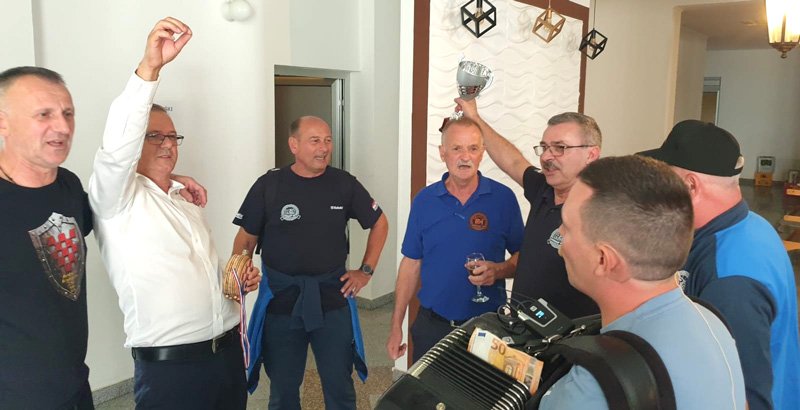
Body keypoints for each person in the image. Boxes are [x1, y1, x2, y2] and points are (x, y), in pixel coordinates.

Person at [88, 18, 260, 409]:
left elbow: (198, 270)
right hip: (171, 369)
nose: (168, 144)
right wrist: (150, 68)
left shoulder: (186, 201)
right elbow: (116, 152)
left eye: (172, 136)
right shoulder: (116, 200)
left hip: (227, 353)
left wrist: (234, 278)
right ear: (136, 142)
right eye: (154, 136)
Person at [540, 155, 746, 409]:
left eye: (567, 227)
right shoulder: (711, 321)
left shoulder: (597, 386)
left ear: (604, 259)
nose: (559, 238)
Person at [639, 120, 800, 410]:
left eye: (664, 179)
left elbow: (741, 396)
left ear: (690, 185)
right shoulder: (750, 225)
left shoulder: (730, 278)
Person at [232, 115, 389, 409]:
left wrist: (365, 271)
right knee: (283, 389)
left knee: (339, 385)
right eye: (315, 141)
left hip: (332, 297)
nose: (324, 148)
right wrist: (240, 274)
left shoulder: (344, 184)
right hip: (281, 300)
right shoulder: (269, 185)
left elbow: (380, 223)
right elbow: (245, 239)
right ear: (294, 145)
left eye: (327, 140)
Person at [386, 117, 524, 362]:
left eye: (473, 148)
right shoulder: (425, 200)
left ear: (482, 152)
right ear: (443, 153)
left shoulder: (503, 199)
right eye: (457, 148)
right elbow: (411, 263)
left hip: (488, 328)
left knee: (481, 389)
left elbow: (523, 257)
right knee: (426, 388)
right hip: (433, 327)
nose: (465, 157)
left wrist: (499, 271)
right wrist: (396, 325)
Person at [0, 66, 94, 409]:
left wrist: (164, 181)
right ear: (2, 123)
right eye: (44, 114)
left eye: (68, 113)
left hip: (74, 387)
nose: (63, 127)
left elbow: (116, 210)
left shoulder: (68, 185)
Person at [456, 98, 601, 319]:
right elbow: (513, 162)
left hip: (569, 335)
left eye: (560, 148)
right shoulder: (544, 188)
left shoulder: (603, 211)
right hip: (521, 326)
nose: (546, 157)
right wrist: (474, 117)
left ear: (591, 154)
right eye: (544, 147)